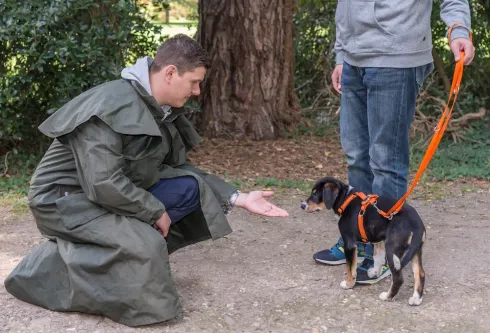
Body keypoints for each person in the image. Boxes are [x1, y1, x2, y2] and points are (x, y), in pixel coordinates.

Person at [4, 34, 289, 327]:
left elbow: (179, 168)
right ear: (169, 73)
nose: (197, 91)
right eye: (194, 82)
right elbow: (102, 181)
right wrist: (153, 210)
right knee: (147, 246)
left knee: (189, 189)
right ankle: (47, 270)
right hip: (65, 201)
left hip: (109, 194)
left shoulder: (160, 110)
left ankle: (118, 248)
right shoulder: (109, 104)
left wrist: (239, 198)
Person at [313, 0, 475, 284]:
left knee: (386, 162)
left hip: (396, 57)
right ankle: (360, 241)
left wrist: (458, 29)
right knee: (356, 156)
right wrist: (341, 56)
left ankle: (388, 253)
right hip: (354, 60)